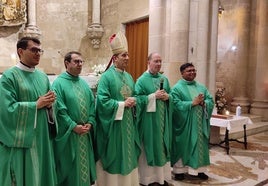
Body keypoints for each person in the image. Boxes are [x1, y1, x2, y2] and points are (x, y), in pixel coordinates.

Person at [0, 36, 57, 186]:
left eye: (40, 50)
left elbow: (47, 105)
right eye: (34, 50)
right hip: (23, 141)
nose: (38, 53)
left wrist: (50, 106)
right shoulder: (9, 77)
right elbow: (6, 110)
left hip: (42, 137)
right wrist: (35, 105)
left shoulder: (43, 77)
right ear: (20, 51)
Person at [95, 31, 141, 186]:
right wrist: (122, 104)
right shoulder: (106, 77)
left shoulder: (129, 77)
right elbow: (102, 101)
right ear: (115, 58)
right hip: (114, 126)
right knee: (116, 155)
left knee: (128, 154)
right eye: (123, 55)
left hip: (128, 124)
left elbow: (133, 96)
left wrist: (134, 101)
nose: (127, 58)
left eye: (127, 55)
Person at [52, 51, 96, 186]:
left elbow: (91, 105)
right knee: (71, 171)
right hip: (70, 135)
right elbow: (59, 110)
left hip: (84, 132)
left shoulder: (83, 83)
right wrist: (73, 126)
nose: (80, 64)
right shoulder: (58, 84)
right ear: (67, 63)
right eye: (76, 61)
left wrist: (90, 121)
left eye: (81, 61)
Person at [170, 62, 214, 181]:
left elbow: (210, 100)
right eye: (189, 71)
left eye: (194, 70)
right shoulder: (177, 88)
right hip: (185, 126)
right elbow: (175, 105)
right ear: (182, 73)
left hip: (199, 125)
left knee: (199, 146)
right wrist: (192, 103)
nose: (192, 72)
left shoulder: (201, 87)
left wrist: (205, 103)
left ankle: (200, 170)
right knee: (184, 145)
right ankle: (180, 171)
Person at [135, 52, 173, 186]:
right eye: (156, 61)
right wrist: (153, 96)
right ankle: (148, 179)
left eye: (160, 61)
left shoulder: (164, 79)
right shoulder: (141, 80)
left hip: (163, 121)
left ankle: (161, 178)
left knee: (162, 146)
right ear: (148, 62)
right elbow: (137, 100)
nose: (158, 64)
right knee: (149, 146)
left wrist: (168, 97)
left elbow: (171, 95)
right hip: (149, 121)